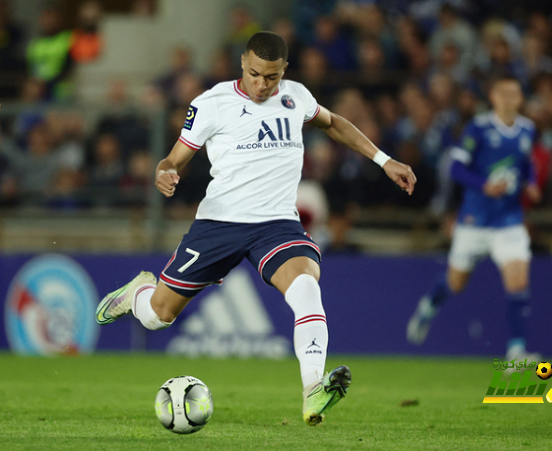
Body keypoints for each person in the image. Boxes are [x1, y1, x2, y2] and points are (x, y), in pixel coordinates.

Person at [95, 31, 417, 426]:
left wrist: (385, 161)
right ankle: (137, 292)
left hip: (277, 224)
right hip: (219, 223)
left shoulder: (296, 96)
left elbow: (333, 124)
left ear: (284, 70)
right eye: (254, 74)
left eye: (271, 77)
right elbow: (174, 158)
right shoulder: (211, 103)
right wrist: (165, 172)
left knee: (306, 288)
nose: (262, 84)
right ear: (242, 64)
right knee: (157, 315)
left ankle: (313, 391)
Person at [406, 75, 541, 364]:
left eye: (514, 93)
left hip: (509, 220)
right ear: (493, 97)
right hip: (474, 220)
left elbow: (528, 163)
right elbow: (455, 167)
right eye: (503, 92)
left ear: (521, 99)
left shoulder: (528, 129)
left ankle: (517, 352)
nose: (508, 98)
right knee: (456, 283)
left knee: (518, 284)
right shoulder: (478, 128)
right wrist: (484, 186)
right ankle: (429, 305)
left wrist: (532, 182)